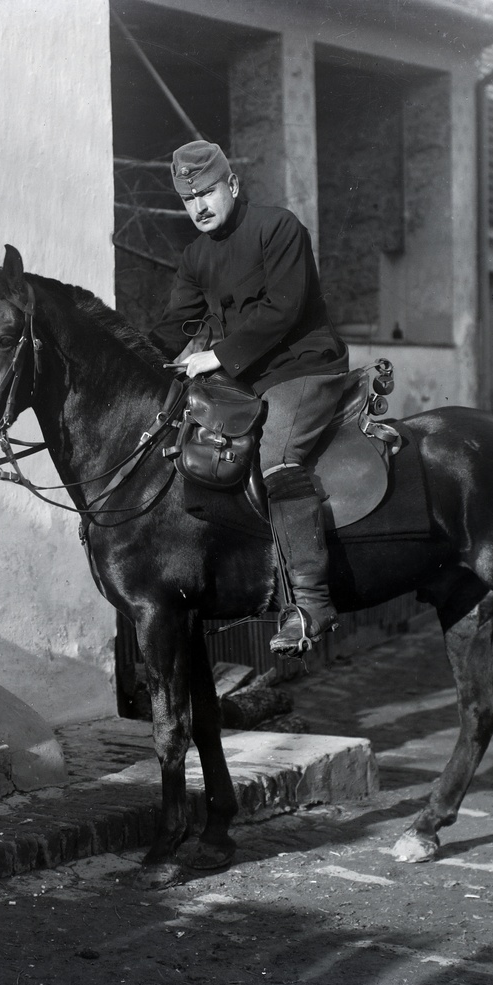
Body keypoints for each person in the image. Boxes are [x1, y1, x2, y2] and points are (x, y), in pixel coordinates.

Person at [148, 140, 350, 657]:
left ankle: (310, 603)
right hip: (245, 382)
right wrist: (136, 360)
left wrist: (215, 356)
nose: (200, 207)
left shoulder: (278, 228)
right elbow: (175, 326)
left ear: (232, 186)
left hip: (304, 368)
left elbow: (284, 309)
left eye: (208, 193)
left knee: (277, 458)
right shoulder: (195, 256)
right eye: (189, 200)